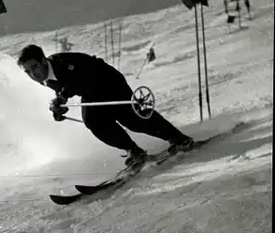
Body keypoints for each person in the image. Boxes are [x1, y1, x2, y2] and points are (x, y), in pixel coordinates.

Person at [16, 44, 194, 168]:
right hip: (91, 92)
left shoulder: (62, 64)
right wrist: (59, 105)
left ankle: (178, 138)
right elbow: (64, 87)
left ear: (44, 60)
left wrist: (63, 96)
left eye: (34, 67)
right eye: (28, 72)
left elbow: (80, 81)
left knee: (132, 119)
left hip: (107, 80)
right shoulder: (45, 77)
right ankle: (134, 151)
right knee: (94, 123)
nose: (33, 74)